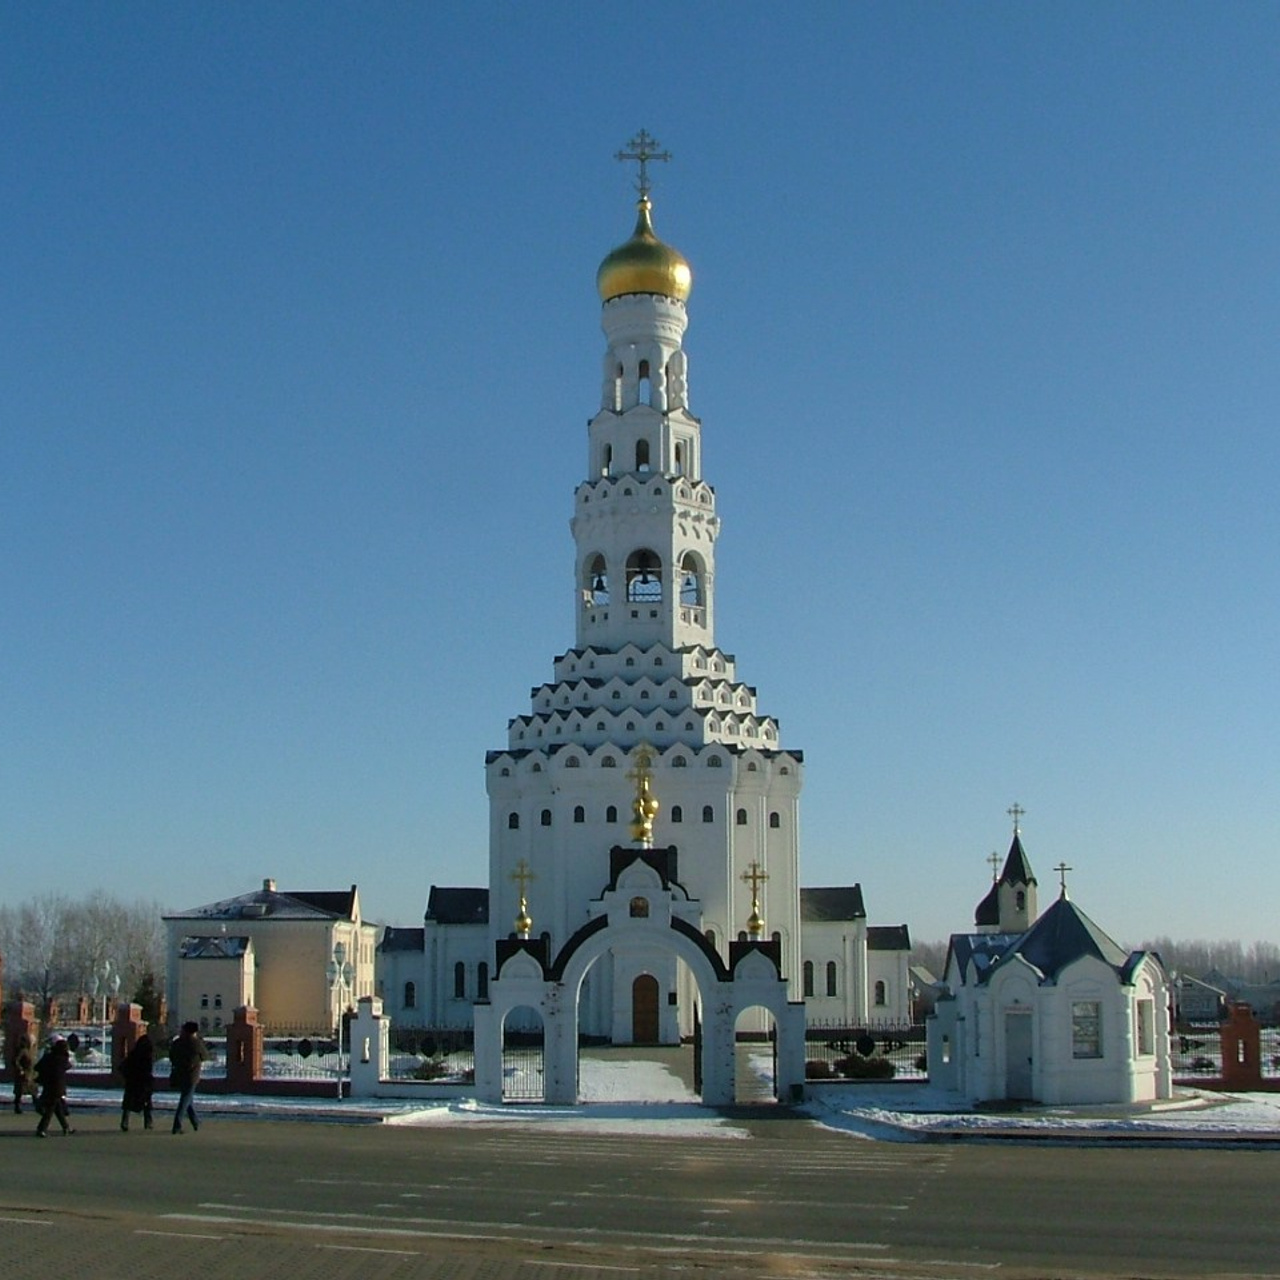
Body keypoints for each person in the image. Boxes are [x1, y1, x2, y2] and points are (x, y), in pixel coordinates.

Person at [168, 1021, 209, 1134]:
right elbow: (205, 1056)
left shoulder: (177, 1042)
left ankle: (195, 1122)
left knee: (187, 1099)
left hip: (179, 1074)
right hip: (192, 1075)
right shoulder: (196, 1043)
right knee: (185, 1100)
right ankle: (177, 1125)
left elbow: (171, 1056)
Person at [34, 1036, 74, 1137]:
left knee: (57, 1108)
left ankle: (66, 1127)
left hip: (48, 1085)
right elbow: (69, 1066)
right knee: (51, 1109)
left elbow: (37, 1067)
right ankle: (41, 1129)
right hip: (58, 1087)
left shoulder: (48, 1057)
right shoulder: (62, 1059)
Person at [119, 1032, 155, 1131]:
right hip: (144, 1083)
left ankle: (124, 1122)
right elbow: (148, 1071)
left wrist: (127, 1076)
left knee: (128, 1104)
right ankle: (148, 1123)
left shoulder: (133, 1054)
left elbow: (122, 1067)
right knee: (146, 1103)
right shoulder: (148, 1057)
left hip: (132, 1083)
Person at [11, 1033, 38, 1115]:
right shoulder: (23, 1050)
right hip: (24, 1075)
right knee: (20, 1091)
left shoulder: (31, 1051)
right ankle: (17, 1107)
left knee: (34, 1092)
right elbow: (15, 1061)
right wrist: (21, 1070)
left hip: (31, 1074)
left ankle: (38, 1107)